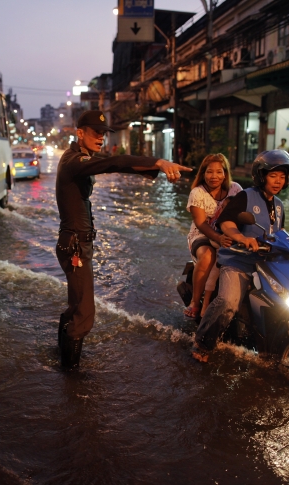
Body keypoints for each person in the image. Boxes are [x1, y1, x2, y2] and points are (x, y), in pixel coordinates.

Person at [56, 110, 191, 370]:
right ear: (80, 132)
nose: (100, 138)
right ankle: (70, 376)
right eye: (95, 133)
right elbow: (113, 164)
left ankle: (62, 360)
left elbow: (115, 163)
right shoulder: (74, 161)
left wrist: (156, 166)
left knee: (76, 305)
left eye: (103, 134)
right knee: (84, 314)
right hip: (75, 245)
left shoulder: (78, 157)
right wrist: (158, 163)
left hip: (76, 242)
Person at [191, 150, 289, 363]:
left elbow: (279, 234)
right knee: (229, 301)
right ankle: (202, 342)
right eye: (273, 175)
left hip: (266, 265)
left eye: (282, 177)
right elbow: (226, 222)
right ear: (261, 175)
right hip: (238, 260)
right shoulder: (246, 196)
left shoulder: (279, 205)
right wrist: (240, 236)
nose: (277, 181)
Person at [183, 154, 242, 319]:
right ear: (203, 173)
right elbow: (201, 223)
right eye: (209, 172)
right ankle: (195, 302)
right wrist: (219, 238)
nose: (214, 176)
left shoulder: (235, 189)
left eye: (218, 172)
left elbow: (246, 213)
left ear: (225, 174)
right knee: (209, 256)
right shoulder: (197, 193)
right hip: (201, 235)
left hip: (230, 233)